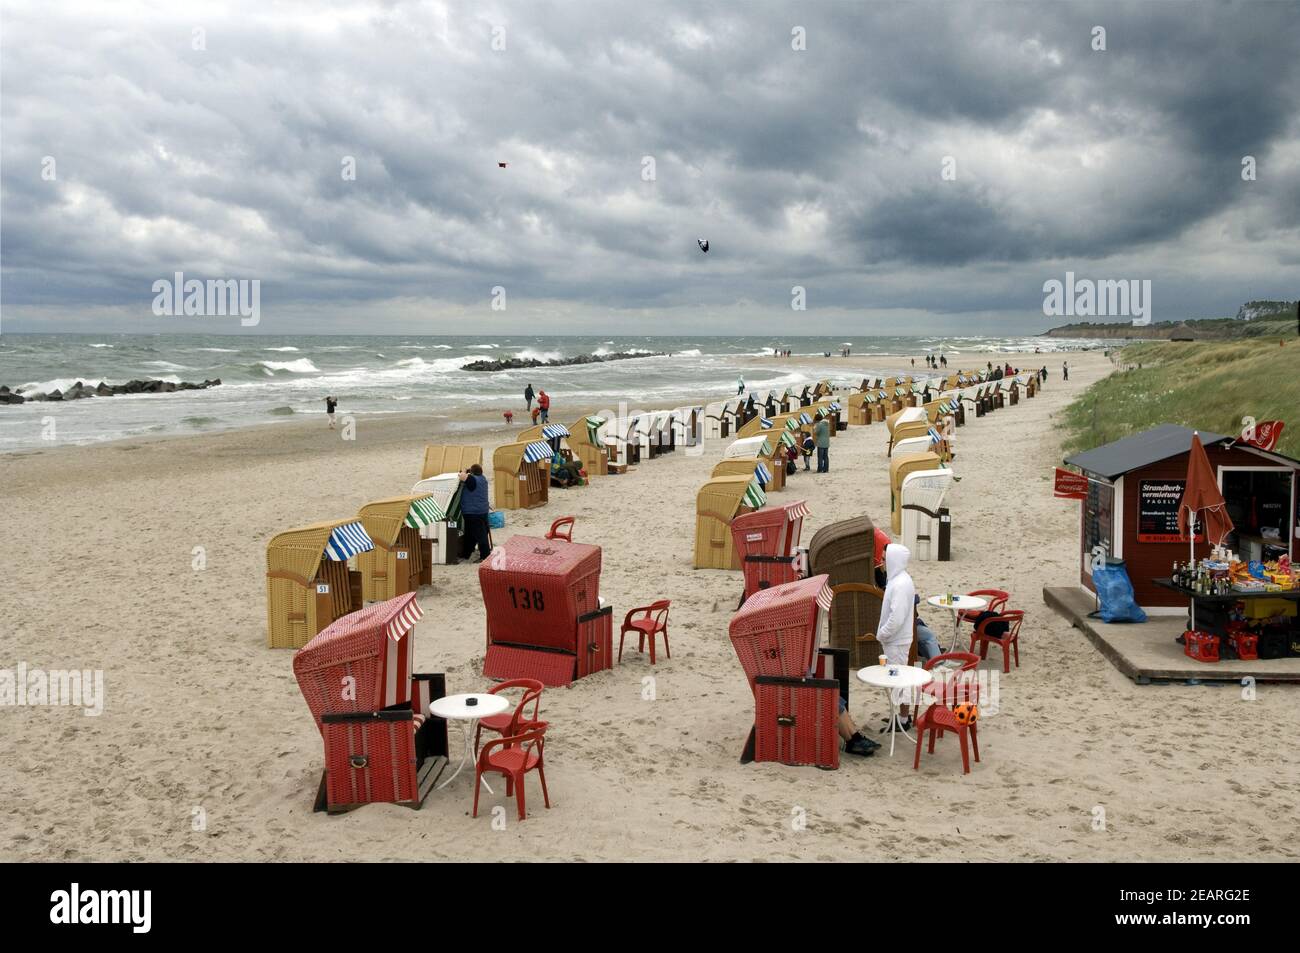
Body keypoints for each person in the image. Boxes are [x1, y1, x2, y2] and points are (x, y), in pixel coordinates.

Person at [875, 543, 917, 730]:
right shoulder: (898, 579)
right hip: (897, 639)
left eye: (884, 559)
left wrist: (882, 634)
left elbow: (897, 617)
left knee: (898, 680)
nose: (881, 562)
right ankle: (900, 716)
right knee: (899, 679)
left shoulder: (900, 584)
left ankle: (903, 719)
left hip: (896, 640)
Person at [457, 465, 492, 562]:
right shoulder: (483, 479)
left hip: (473, 513)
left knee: (481, 536)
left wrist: (464, 470)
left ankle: (485, 556)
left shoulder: (472, 479)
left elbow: (462, 475)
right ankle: (466, 553)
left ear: (472, 472)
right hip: (482, 511)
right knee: (471, 534)